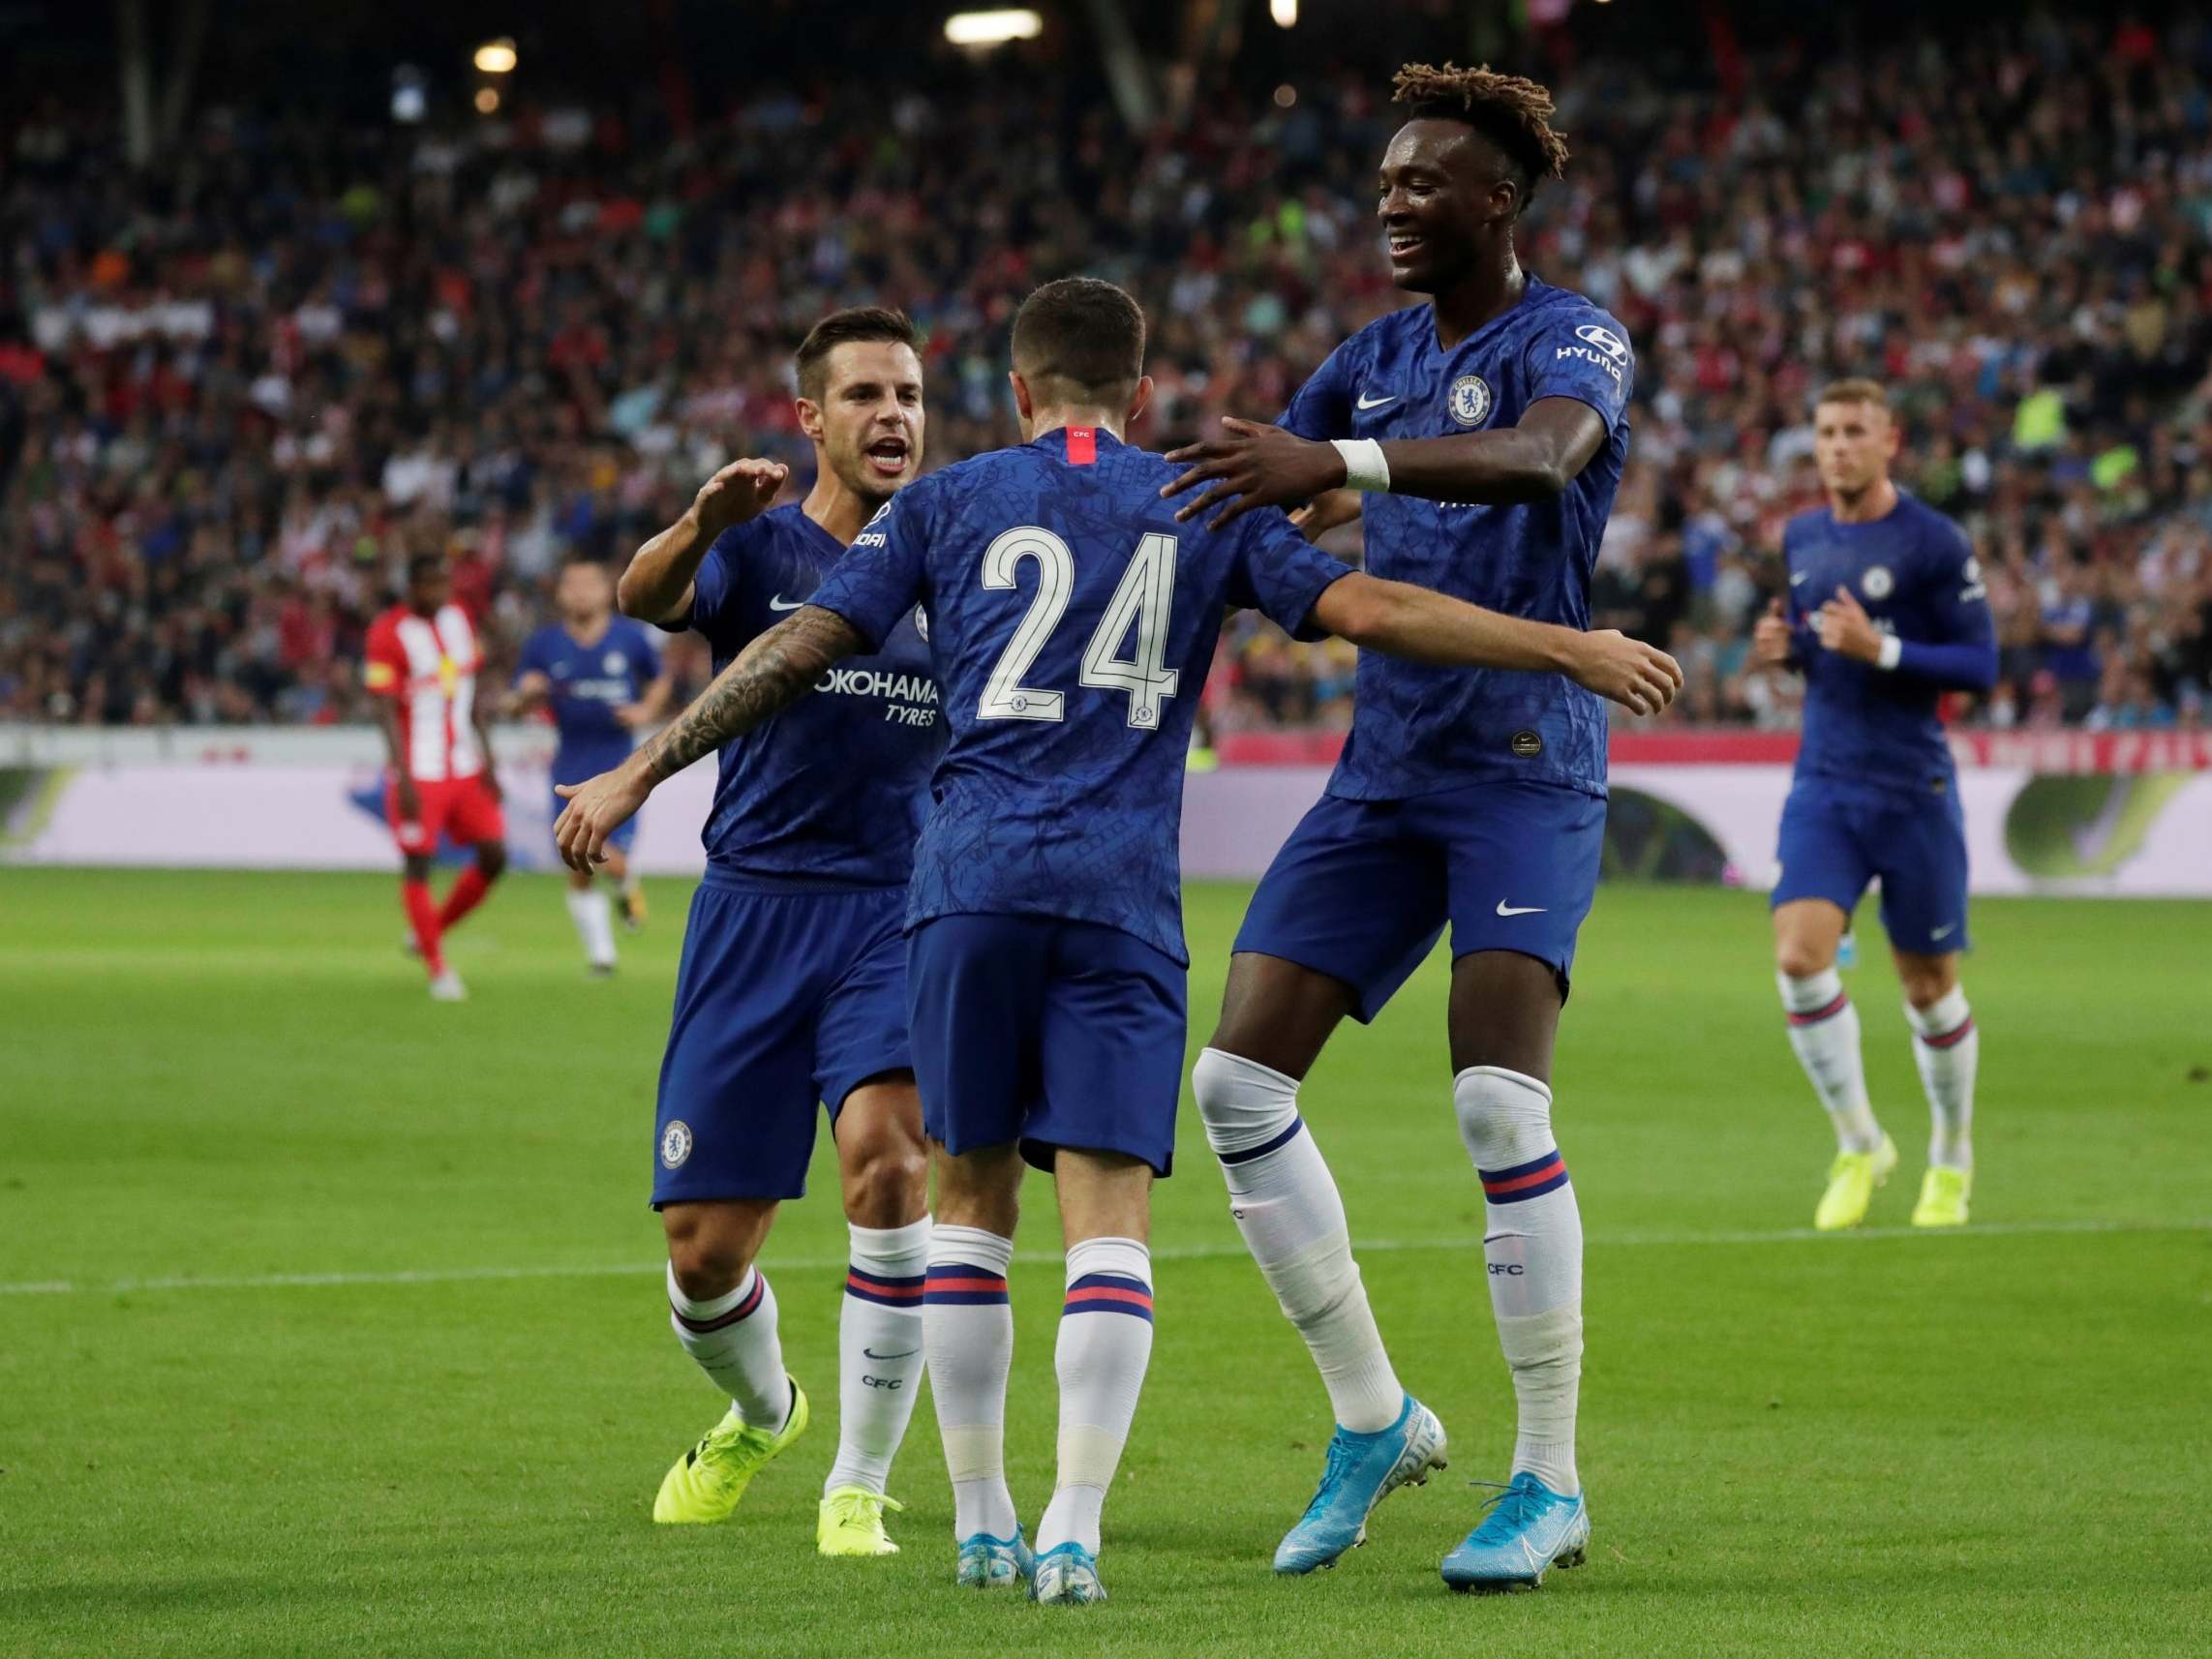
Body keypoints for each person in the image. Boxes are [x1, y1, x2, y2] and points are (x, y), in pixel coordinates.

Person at [552, 276, 1680, 1604]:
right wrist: (1567, 644)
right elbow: (1368, 612)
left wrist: (638, 771)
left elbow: (796, 646)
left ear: (1016, 392)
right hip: (1119, 897)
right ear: (1143, 399)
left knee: (959, 1204)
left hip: (961, 886)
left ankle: (973, 1515)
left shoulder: (948, 502)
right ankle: (1070, 1532)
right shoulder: (1195, 501)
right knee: (1108, 1221)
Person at [1155, 63, 1639, 1591]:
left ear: (1497, 198)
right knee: (1233, 1082)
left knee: (1498, 1107)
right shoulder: (1366, 357)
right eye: (1379, 187)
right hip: (1381, 773)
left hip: (1520, 764)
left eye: (1420, 184)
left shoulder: (1568, 334)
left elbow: (1540, 458)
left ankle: (1547, 1479)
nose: (1390, 207)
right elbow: (1250, 499)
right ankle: (1374, 1414)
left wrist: (1342, 470)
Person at [611, 308, 940, 1558]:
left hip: (898, 909)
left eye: (907, 392)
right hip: (751, 908)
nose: (892, 413)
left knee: (889, 1161)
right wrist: (702, 521)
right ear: (812, 419)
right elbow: (650, 598)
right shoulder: (759, 551)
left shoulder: (954, 551)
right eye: (862, 394)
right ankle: (766, 1411)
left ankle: (858, 1480)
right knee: (703, 1252)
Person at [1750, 379, 1997, 1230]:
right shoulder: (1803, 535)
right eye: (1825, 432)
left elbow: (1978, 665)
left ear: (1888, 441)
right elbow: (1823, 658)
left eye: (1855, 431)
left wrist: (1881, 645)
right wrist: (1788, 652)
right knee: (1797, 954)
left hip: (1911, 790)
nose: (1837, 446)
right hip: (1825, 781)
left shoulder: (1932, 542)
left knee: (1927, 987)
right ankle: (1859, 1141)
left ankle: (1950, 1158)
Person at [510, 557, 670, 976]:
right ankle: (603, 956)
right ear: (560, 593)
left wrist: (645, 710)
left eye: (589, 583)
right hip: (568, 767)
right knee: (579, 861)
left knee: (609, 856)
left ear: (607, 589)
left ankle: (624, 884)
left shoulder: (630, 639)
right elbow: (514, 701)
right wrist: (525, 696)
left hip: (621, 767)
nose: (580, 592)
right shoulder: (544, 644)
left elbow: (661, 679)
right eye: (572, 584)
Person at [365, 552, 506, 1001]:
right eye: (430, 584)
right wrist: (402, 777)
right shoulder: (388, 632)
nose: (440, 592)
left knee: (495, 855)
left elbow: (474, 693)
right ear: (412, 587)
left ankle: (430, 931)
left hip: (464, 764)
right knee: (418, 864)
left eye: (444, 584)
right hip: (420, 771)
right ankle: (438, 967)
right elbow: (384, 709)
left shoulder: (460, 620)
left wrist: (489, 757)